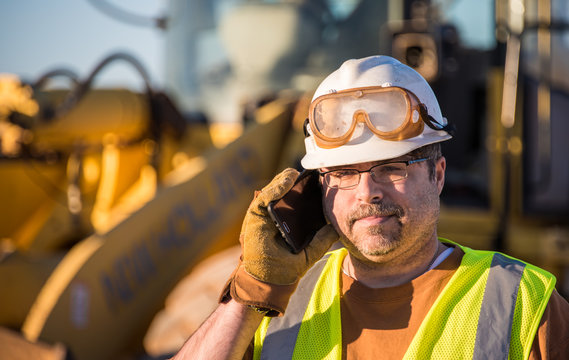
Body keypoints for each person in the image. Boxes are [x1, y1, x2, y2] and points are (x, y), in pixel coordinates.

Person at [171, 55, 569, 359]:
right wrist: (250, 292)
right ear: (320, 184)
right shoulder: (275, 305)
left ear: (438, 174)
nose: (367, 193)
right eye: (344, 173)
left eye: (392, 168)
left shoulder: (522, 302)